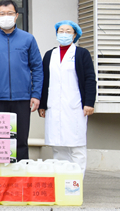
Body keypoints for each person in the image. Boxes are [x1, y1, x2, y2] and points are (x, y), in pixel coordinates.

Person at [0, 0, 43, 161]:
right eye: (2, 14)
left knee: (21, 141)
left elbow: (37, 68)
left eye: (10, 13)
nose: (6, 17)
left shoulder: (28, 39)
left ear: (16, 15)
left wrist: (36, 94)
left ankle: (21, 173)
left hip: (23, 98)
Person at [39, 21, 96, 172]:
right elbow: (44, 81)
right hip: (54, 105)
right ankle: (62, 180)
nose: (64, 34)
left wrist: (89, 102)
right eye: (61, 31)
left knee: (76, 146)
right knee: (58, 146)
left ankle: (77, 181)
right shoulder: (50, 55)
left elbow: (90, 79)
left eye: (68, 31)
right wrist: (43, 104)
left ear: (75, 35)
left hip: (75, 106)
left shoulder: (81, 54)